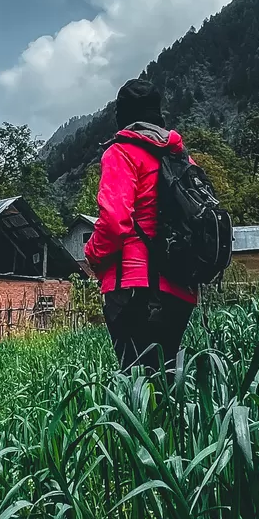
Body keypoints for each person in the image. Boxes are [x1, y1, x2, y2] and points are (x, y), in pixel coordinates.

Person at [84, 78, 197, 371]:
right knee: (167, 380)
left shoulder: (121, 152)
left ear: (122, 116)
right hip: (180, 287)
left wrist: (92, 254)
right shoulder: (181, 157)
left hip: (133, 286)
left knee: (137, 383)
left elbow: (113, 223)